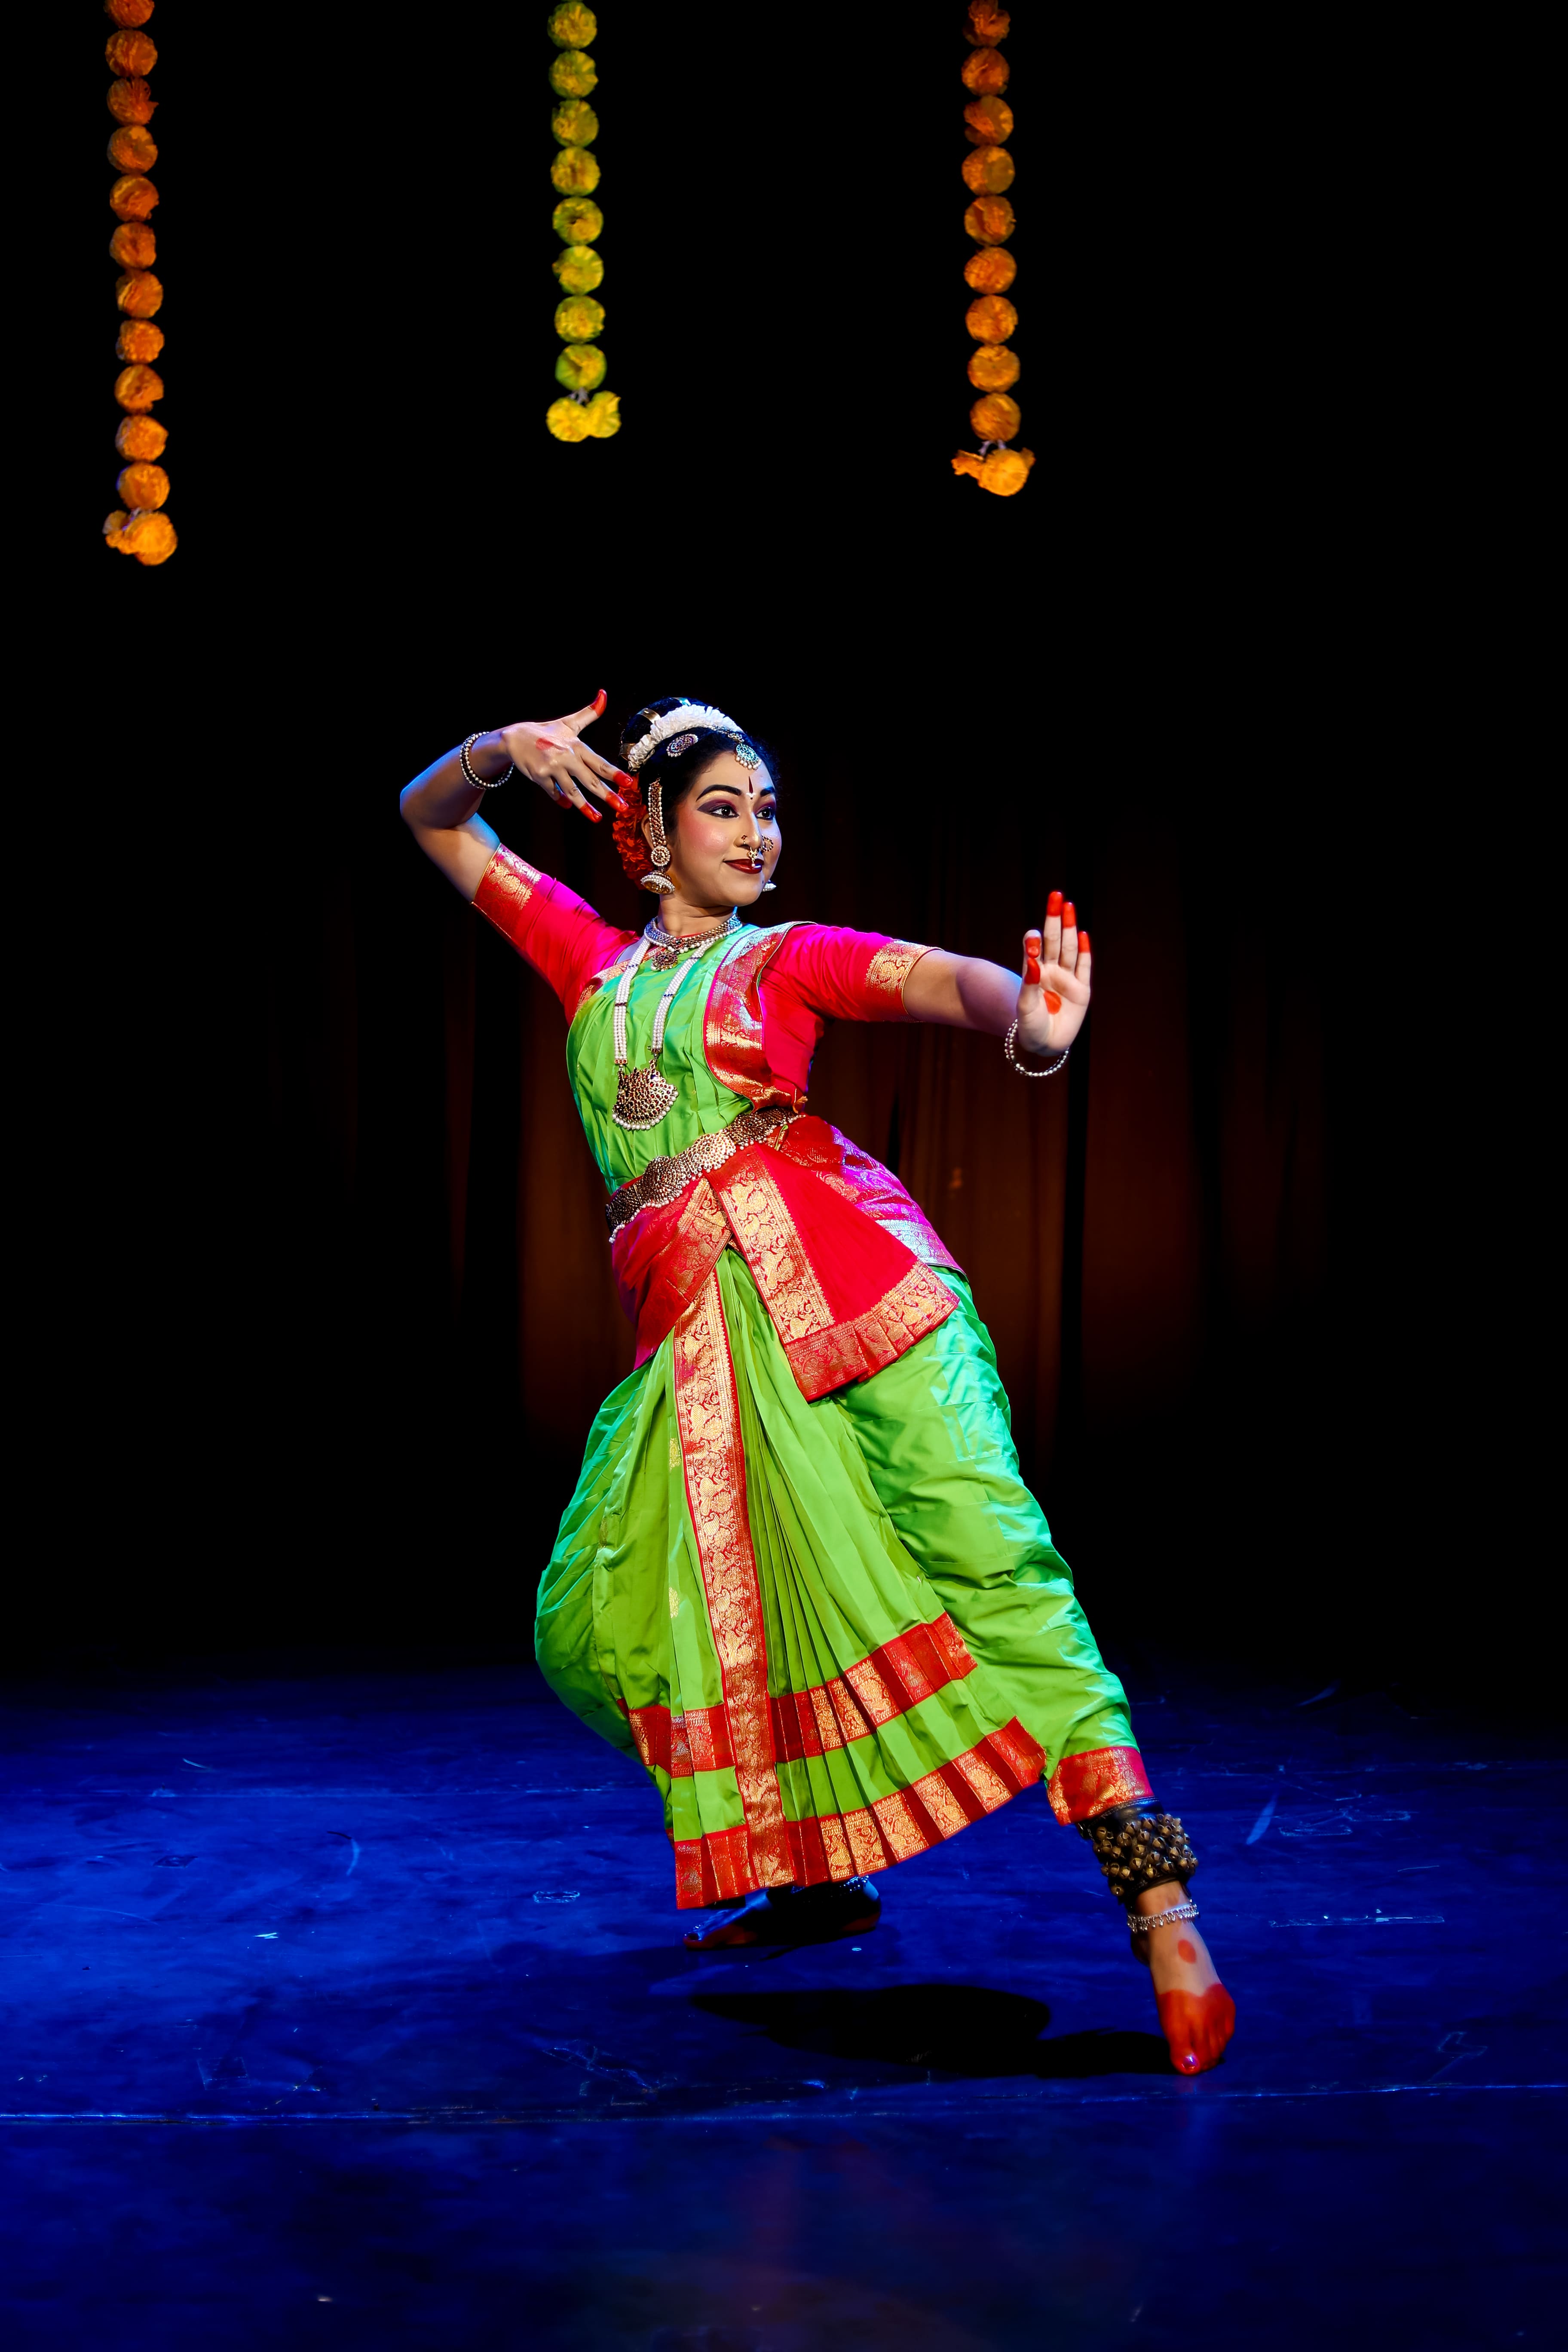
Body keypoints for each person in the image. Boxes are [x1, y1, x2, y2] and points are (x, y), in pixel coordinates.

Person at [400, 690, 1236, 2075]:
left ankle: (1160, 1902)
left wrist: (1034, 1026)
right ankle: (814, 1875)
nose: (755, 829)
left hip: (864, 1309)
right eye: (722, 805)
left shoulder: (784, 959)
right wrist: (500, 753)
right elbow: (429, 816)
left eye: (767, 808)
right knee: (610, 1627)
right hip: (700, 1348)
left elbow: (932, 980)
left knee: (1000, 1572)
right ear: (650, 836)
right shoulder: (587, 965)